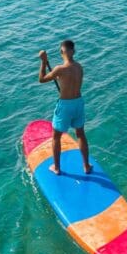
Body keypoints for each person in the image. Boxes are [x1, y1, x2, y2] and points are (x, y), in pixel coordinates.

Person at [38, 40, 92, 176]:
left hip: (65, 105)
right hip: (78, 103)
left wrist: (43, 62)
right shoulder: (79, 67)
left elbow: (42, 79)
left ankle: (56, 168)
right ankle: (86, 165)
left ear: (62, 52)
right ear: (73, 51)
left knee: (56, 136)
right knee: (80, 134)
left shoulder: (59, 69)